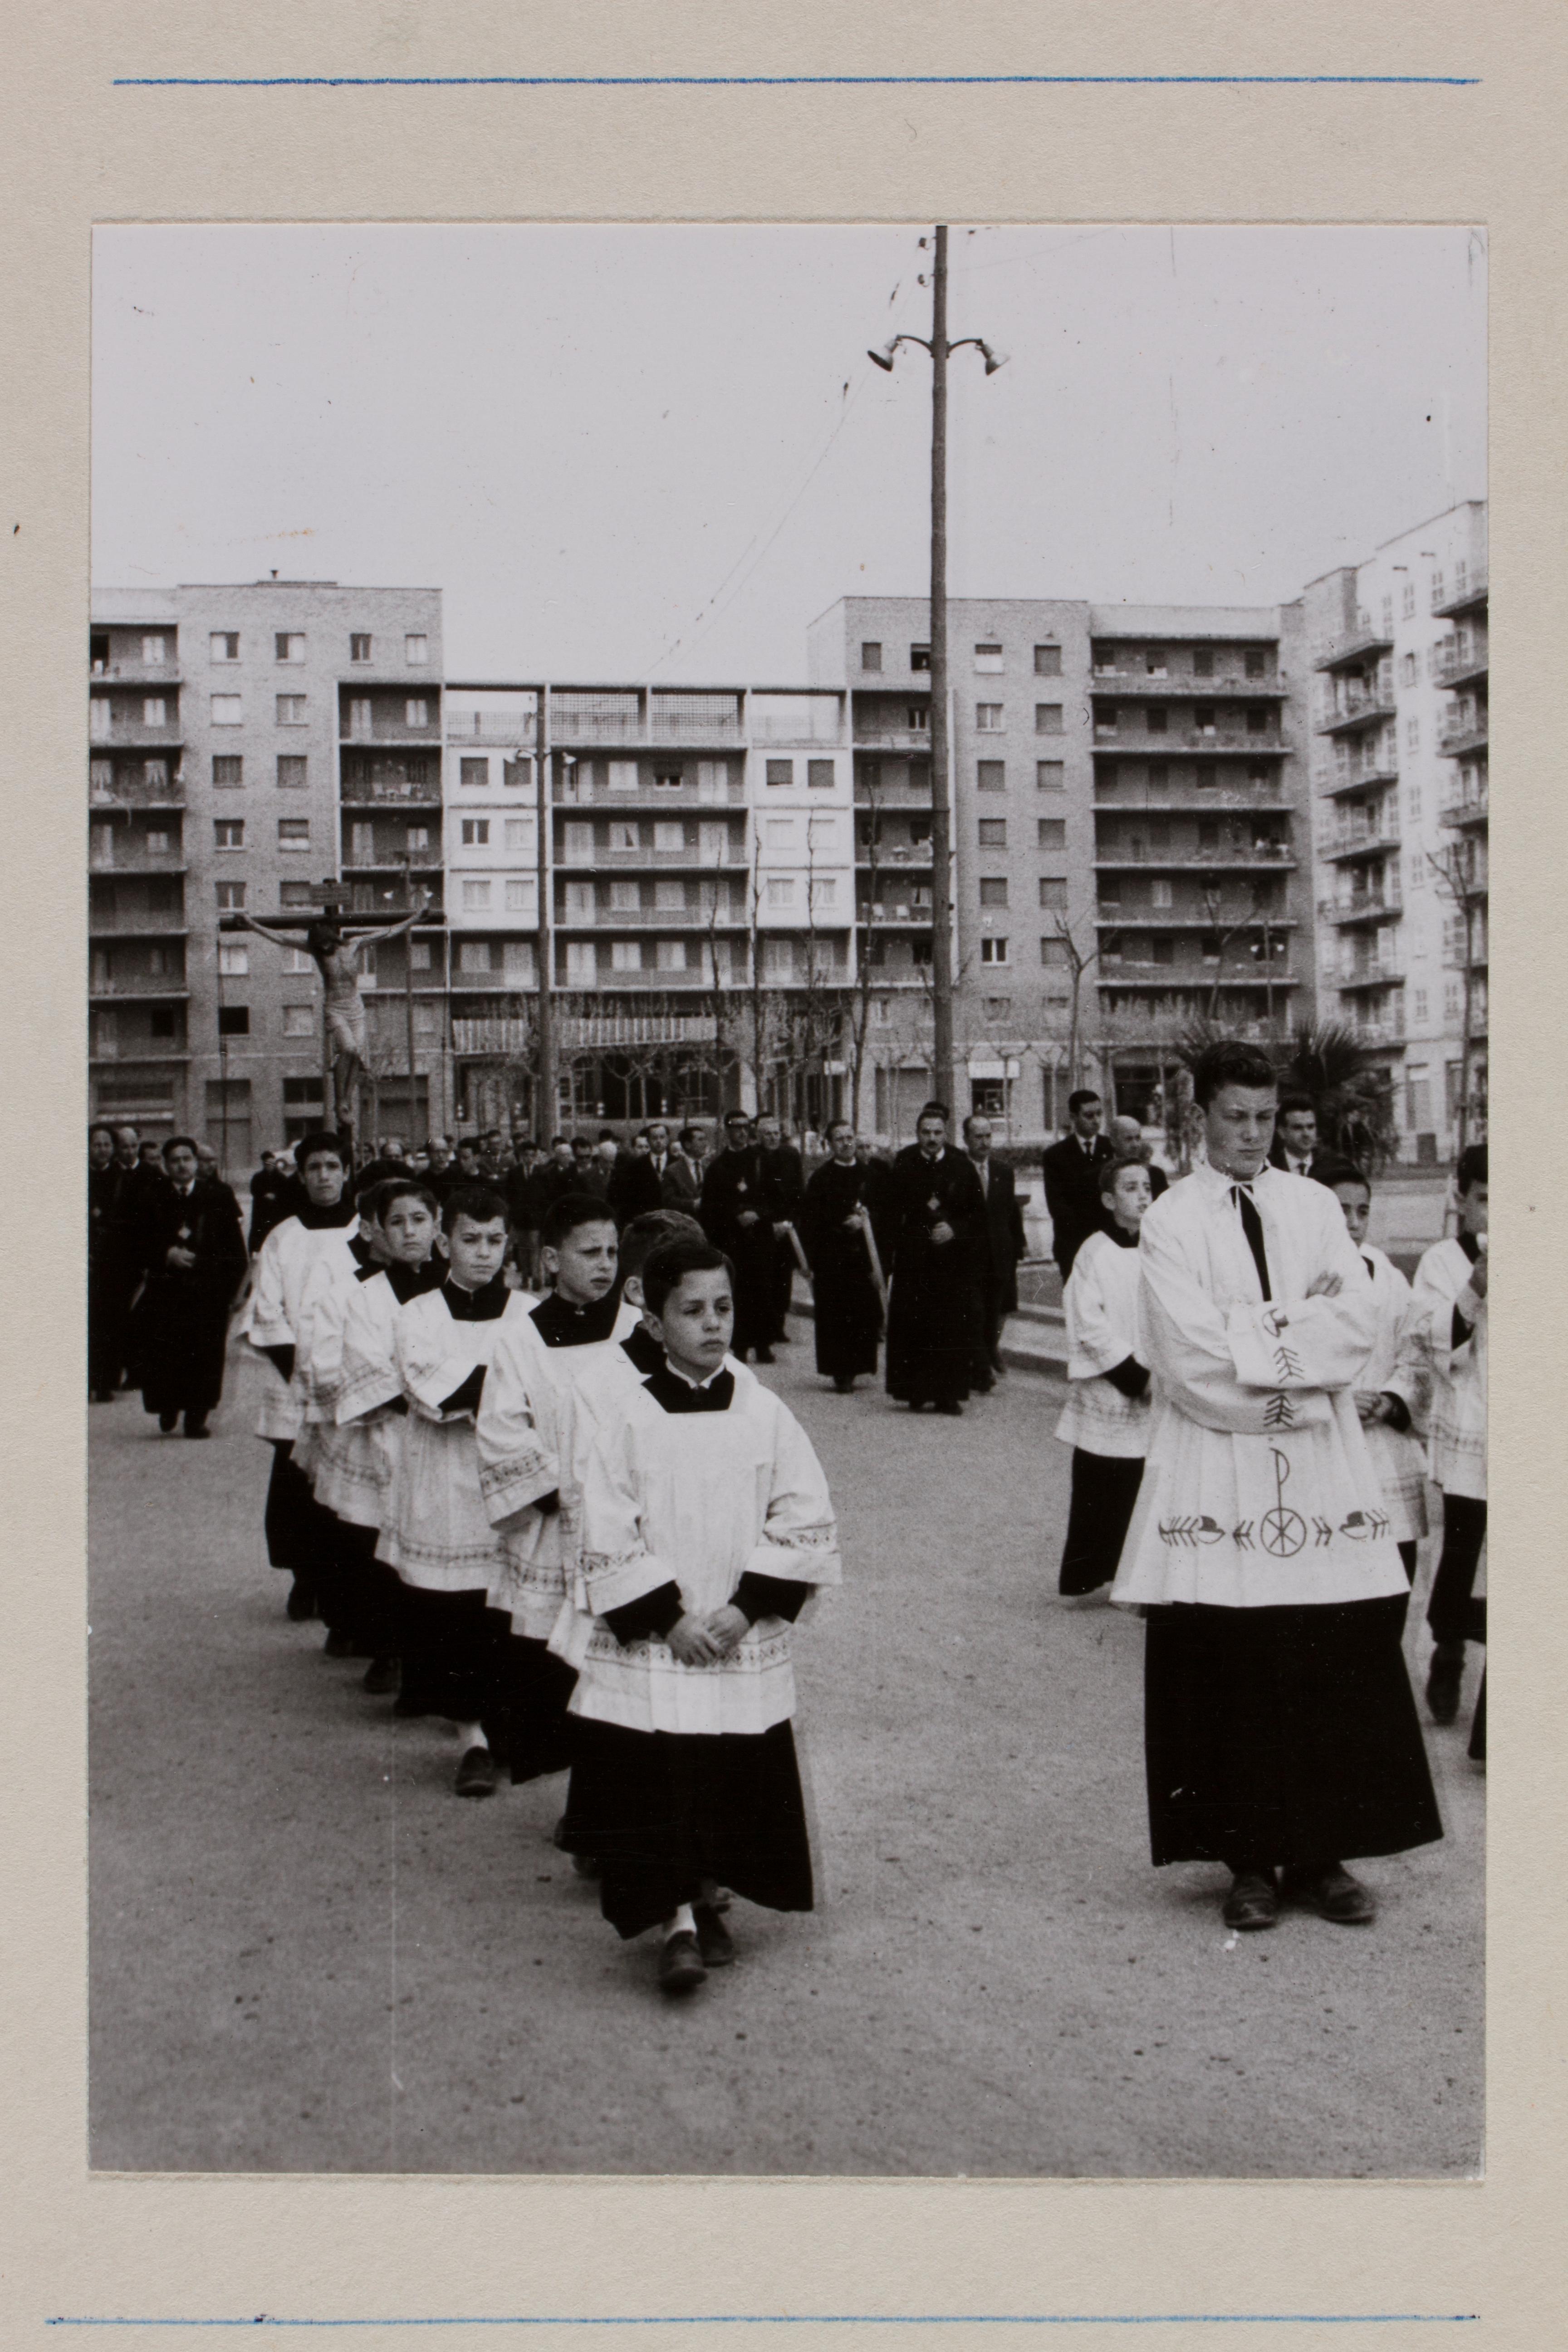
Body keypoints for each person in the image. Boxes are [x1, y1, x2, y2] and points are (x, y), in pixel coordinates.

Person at [1109, 1038, 1441, 1933]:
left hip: (1320, 1472)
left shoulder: (1312, 1207)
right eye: (1236, 1118)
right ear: (1201, 1116)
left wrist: (1256, 1337)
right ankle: (1250, 1861)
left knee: (1325, 1648)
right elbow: (1187, 1355)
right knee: (1233, 1658)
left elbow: (1357, 1323)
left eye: (1266, 1118)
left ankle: (1325, 1854)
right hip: (1216, 1465)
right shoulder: (1174, 1220)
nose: (1255, 1136)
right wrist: (1293, 1366)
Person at [553, 1238, 842, 1994]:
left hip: (732, 1628)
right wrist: (668, 1615)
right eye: (692, 1309)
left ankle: (712, 1897)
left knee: (725, 1771)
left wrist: (746, 1610)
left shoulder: (764, 1408)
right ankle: (674, 1919)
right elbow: (604, 1523)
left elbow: (804, 1514)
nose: (712, 1324)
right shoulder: (623, 1414)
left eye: (723, 1307)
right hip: (664, 1637)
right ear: (654, 1318)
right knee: (661, 1776)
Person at [476, 1193, 643, 1786]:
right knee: (551, 1659)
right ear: (550, 1259)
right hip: (555, 1525)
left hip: (628, 1527)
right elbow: (500, 1430)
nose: (605, 1264)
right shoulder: (520, 1340)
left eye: (613, 1252)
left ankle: (605, 1796)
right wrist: (562, 1489)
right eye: (589, 1252)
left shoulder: (637, 1331)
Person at [377, 1184, 537, 1797]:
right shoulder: (418, 1315)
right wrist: (506, 1386)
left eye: (495, 1241)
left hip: (513, 1485)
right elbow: (433, 1389)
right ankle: (471, 1737)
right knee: (458, 1615)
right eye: (469, 1239)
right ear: (445, 1242)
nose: (483, 1254)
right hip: (445, 1482)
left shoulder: (528, 1314)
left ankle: (506, 1729)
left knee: (510, 1613)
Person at [321, 1178, 446, 1692]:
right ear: (379, 1232)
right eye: (397, 1222)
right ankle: (390, 1649)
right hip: (392, 1430)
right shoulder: (364, 1296)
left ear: (438, 1227)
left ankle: (435, 1660)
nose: (410, 1231)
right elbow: (366, 1365)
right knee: (385, 1549)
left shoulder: (458, 1288)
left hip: (450, 1436)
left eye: (419, 1220)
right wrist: (426, 1397)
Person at [242, 1131, 362, 1620]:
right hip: (295, 1378)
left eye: (333, 1166)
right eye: (314, 1168)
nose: (324, 1177)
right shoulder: (283, 1237)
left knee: (351, 1484)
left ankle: (347, 1583)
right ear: (302, 1174)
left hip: (356, 1379)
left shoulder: (366, 1232)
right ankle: (304, 1579)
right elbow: (266, 1310)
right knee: (298, 1487)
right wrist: (301, 1373)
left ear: (347, 1172)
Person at [1318, 1159, 1431, 1616]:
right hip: (1326, 1442)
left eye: (1362, 1211)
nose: (1354, 1223)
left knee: (1392, 1585)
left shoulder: (1388, 1276)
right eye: (1341, 1211)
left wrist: (1389, 1401)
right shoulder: (1301, 1277)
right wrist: (1339, 1399)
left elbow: (1417, 1352)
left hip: (1384, 1447)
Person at [1410, 1145, 1488, 1735]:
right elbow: (1439, 1344)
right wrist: (1476, 1289)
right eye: (1485, 1200)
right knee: (1464, 1546)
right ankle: (1450, 1650)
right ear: (1460, 1198)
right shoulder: (1441, 1260)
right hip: (1470, 1415)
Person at [1055, 1159, 1154, 1596]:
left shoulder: (1163, 1247)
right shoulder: (1094, 1251)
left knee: (1147, 1482)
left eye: (1147, 1187)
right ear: (1109, 1200)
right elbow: (1087, 1321)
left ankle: (1141, 1575)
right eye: (1130, 1188)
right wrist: (1133, 1374)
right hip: (1113, 1383)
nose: (1143, 1196)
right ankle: (1093, 1571)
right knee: (1104, 1482)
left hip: (1157, 1382)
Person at [127, 1135, 248, 1437]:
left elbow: (234, 1248)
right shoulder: (151, 1196)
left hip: (207, 1293)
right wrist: (166, 1254)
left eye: (187, 1159)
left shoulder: (218, 1196)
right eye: (175, 1161)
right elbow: (135, 1243)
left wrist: (234, 1290)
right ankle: (168, 1408)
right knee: (165, 1353)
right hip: (165, 1293)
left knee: (205, 1356)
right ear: (166, 1166)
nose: (182, 1165)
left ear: (195, 1162)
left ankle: (197, 1417)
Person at [883, 1102, 987, 1416]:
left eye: (937, 1133)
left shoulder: (961, 1165)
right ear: (917, 1134)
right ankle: (915, 1390)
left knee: (950, 1326)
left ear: (946, 1134)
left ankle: (949, 1394)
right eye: (926, 1133)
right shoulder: (904, 1162)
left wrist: (955, 1229)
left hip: (950, 1262)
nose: (932, 1139)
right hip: (915, 1259)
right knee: (915, 1324)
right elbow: (891, 1212)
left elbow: (977, 1214)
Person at [799, 1120, 884, 1393]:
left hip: (862, 1257)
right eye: (839, 1139)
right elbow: (811, 1220)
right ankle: (840, 1371)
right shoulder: (821, 1178)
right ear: (830, 1144)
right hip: (833, 1258)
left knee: (862, 1312)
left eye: (850, 1137)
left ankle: (859, 1365)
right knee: (836, 1315)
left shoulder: (870, 1175)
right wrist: (840, 1226)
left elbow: (885, 1211)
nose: (846, 1143)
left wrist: (869, 1220)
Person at [699, 1112, 779, 1364]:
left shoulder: (763, 1161)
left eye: (746, 1128)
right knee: (737, 1292)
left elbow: (777, 1195)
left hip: (760, 1236)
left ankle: (764, 1344)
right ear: (727, 1131)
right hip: (732, 1239)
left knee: (765, 1289)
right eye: (736, 1128)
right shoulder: (718, 1166)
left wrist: (760, 1213)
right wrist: (735, 1214)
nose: (742, 1133)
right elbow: (710, 1206)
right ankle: (741, 1345)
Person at [963, 1114, 1027, 1390]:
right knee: (975, 1311)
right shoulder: (958, 1170)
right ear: (966, 1140)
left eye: (988, 1136)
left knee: (998, 1309)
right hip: (970, 1253)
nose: (985, 1142)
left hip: (1000, 1251)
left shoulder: (1003, 1171)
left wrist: (1020, 1241)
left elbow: (1011, 1211)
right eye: (978, 1137)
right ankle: (982, 1371)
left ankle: (989, 1352)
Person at [1041, 1091, 1115, 1278]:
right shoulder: (1055, 1155)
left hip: (1109, 1241)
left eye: (1099, 1114)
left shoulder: (1112, 1148)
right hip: (1073, 1243)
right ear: (1073, 1117)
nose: (1096, 1120)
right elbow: (1057, 1205)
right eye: (1089, 1115)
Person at [753, 1113, 805, 1343]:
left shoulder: (790, 1155)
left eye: (776, 1133)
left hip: (788, 1227)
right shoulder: (754, 1158)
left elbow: (798, 1191)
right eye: (768, 1134)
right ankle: (765, 1327)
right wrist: (769, 1223)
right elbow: (755, 1196)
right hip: (765, 1226)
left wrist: (790, 1221)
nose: (773, 1138)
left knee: (784, 1279)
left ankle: (779, 1326)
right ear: (759, 1136)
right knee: (764, 1278)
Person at [89, 1124, 131, 1401]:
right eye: (97, 1144)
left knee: (112, 1321)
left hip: (115, 1259)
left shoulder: (123, 1179)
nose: (102, 1149)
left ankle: (106, 1382)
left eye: (107, 1144)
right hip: (88, 1258)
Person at [1106, 1114, 1169, 1204]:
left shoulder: (1156, 1175)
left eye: (1138, 1138)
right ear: (1113, 1142)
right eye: (1129, 1139)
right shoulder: (1102, 1174)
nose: (1135, 1145)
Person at [608, 1128, 662, 1227]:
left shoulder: (657, 1169)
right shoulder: (623, 1172)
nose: (644, 1150)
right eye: (640, 1147)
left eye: (647, 1147)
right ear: (633, 1149)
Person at [1268, 1093, 1325, 1180]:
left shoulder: (1330, 1166)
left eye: (1311, 1127)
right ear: (1282, 1132)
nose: (1306, 1134)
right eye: (1298, 1128)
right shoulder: (1269, 1167)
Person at [647, 1121, 701, 1212]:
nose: (659, 1141)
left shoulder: (679, 1164)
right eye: (655, 1138)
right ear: (648, 1140)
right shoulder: (637, 1165)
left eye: (662, 1137)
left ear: (668, 1139)